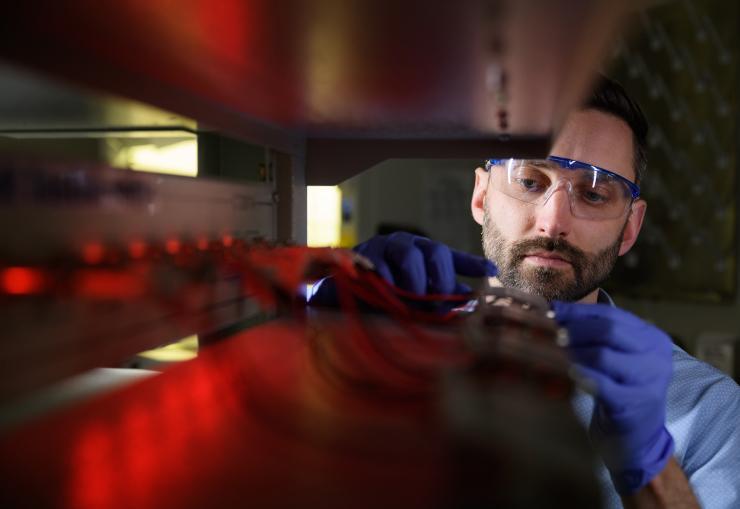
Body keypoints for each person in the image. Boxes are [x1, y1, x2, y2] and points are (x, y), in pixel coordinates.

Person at [310, 77, 740, 508]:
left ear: (629, 228)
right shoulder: (396, 350)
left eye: (592, 194)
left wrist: (651, 469)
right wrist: (319, 332)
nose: (553, 221)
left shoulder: (712, 412)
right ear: (481, 196)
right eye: (531, 182)